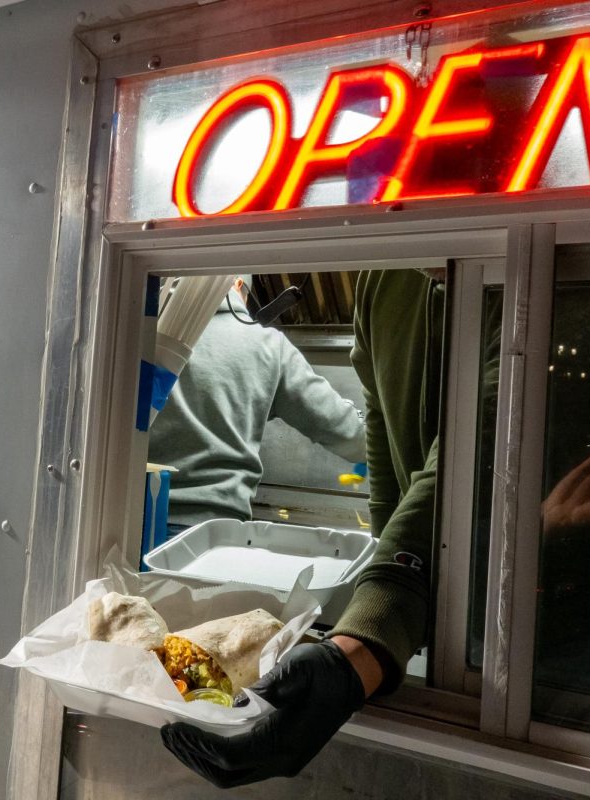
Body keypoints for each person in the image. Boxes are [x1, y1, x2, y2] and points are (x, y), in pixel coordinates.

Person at [161, 268, 447, 786]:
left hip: (142, 550)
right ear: (244, 288)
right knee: (220, 704)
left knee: (159, 686)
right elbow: (354, 441)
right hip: (215, 563)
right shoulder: (262, 344)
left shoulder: (146, 334)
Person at [148, 278, 366, 534]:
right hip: (213, 536)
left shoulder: (136, 330)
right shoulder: (268, 345)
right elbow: (353, 436)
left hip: (125, 521)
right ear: (239, 285)